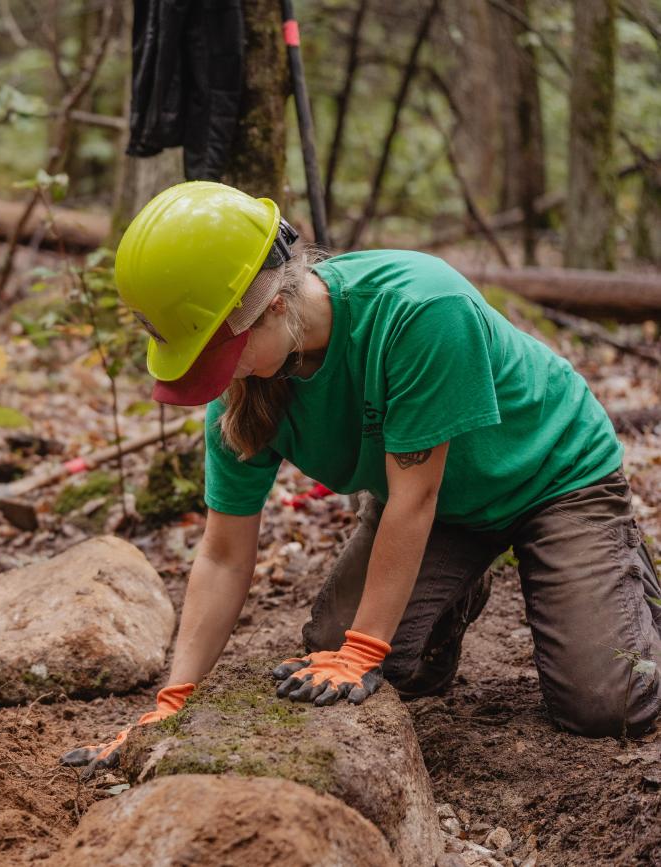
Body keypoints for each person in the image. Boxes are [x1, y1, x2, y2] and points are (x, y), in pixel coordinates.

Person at [62, 181, 661, 774]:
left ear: (271, 304)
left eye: (217, 356)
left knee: (609, 704)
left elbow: (415, 496)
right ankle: (457, 589)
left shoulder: (421, 310)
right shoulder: (241, 395)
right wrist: (175, 702)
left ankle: (617, 577)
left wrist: (364, 651)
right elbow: (223, 556)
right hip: (441, 508)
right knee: (339, 648)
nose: (215, 378)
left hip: (554, 478)